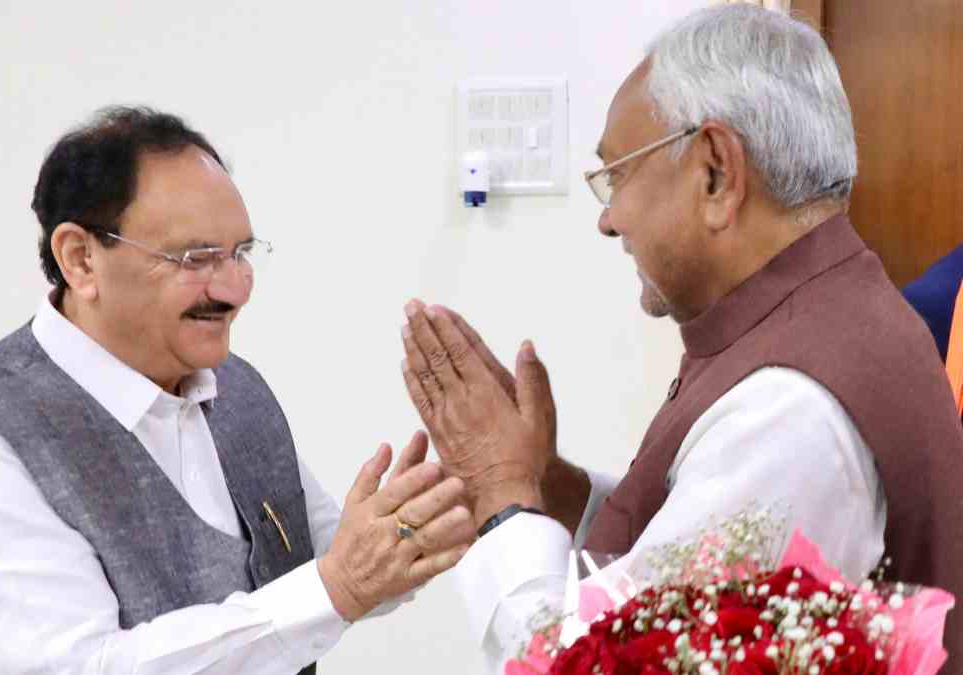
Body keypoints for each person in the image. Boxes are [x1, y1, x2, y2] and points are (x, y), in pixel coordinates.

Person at [398, 5, 963, 672]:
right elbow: (686, 542)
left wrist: (501, 499)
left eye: (618, 174)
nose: (608, 220)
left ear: (716, 172)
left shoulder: (789, 410)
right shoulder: (826, 314)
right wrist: (550, 485)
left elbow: (601, 664)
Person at [0, 106, 473, 674]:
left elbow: (342, 562)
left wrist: (468, 493)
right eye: (196, 257)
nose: (235, 289)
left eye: (240, 253)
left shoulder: (236, 390)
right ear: (80, 259)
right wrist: (340, 585)